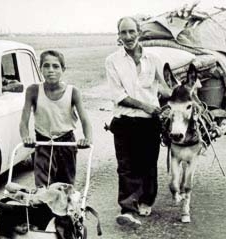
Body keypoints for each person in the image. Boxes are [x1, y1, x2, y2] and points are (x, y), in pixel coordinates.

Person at [105, 16, 172, 228]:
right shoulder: (112, 61)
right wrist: (145, 105)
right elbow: (119, 95)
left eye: (131, 32)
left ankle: (145, 200)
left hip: (149, 123)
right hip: (124, 121)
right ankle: (127, 208)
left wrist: (178, 99)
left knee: (148, 163)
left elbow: (165, 86)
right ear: (119, 36)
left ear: (139, 33)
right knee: (125, 165)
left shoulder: (153, 59)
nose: (128, 37)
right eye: (123, 33)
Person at [19, 50, 93, 187]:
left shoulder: (73, 92)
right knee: (42, 187)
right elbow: (24, 120)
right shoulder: (33, 91)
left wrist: (87, 139)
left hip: (66, 143)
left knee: (66, 187)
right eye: (46, 66)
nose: (50, 70)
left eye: (55, 66)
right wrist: (25, 137)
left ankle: (66, 207)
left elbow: (85, 119)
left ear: (63, 69)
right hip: (43, 143)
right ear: (40, 69)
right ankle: (43, 208)